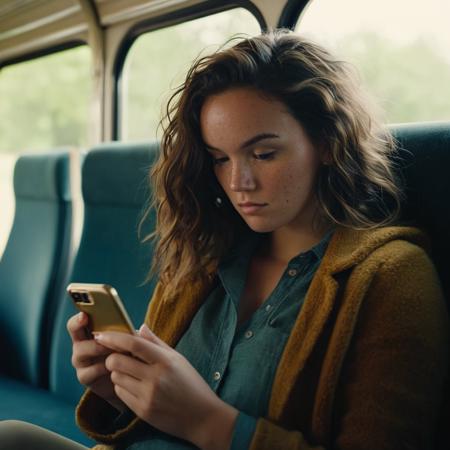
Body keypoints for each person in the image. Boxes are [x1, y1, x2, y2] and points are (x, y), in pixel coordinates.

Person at [0, 30, 448, 450]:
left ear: (328, 141)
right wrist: (118, 390)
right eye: (219, 159)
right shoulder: (205, 254)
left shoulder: (392, 277)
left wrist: (207, 421)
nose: (239, 182)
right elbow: (158, 423)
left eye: (264, 153)